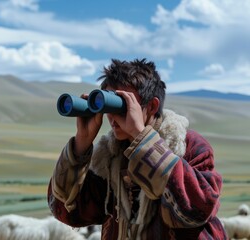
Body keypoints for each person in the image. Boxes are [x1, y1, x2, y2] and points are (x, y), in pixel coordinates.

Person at [47, 58, 227, 239]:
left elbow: (197, 209)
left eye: (121, 104)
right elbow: (70, 213)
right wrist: (82, 142)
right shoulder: (108, 156)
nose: (112, 116)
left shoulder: (188, 145)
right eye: (109, 104)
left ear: (152, 106)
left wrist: (143, 139)